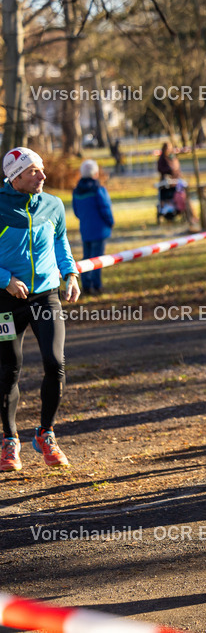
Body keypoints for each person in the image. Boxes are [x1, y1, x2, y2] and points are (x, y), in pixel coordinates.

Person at [0, 148, 81, 473]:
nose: (43, 176)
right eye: (34, 171)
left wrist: (70, 273)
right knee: (8, 369)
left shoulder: (53, 204)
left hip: (45, 296)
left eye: (42, 169)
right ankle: (9, 440)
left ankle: (45, 433)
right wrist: (5, 280)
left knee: (55, 362)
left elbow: (61, 241)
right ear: (15, 177)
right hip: (5, 301)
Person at [71, 160, 114, 295]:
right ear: (95, 173)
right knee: (97, 259)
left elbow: (76, 211)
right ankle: (97, 285)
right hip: (99, 230)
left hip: (85, 229)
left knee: (86, 257)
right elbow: (105, 208)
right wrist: (110, 222)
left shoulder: (76, 191)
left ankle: (86, 285)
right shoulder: (98, 189)